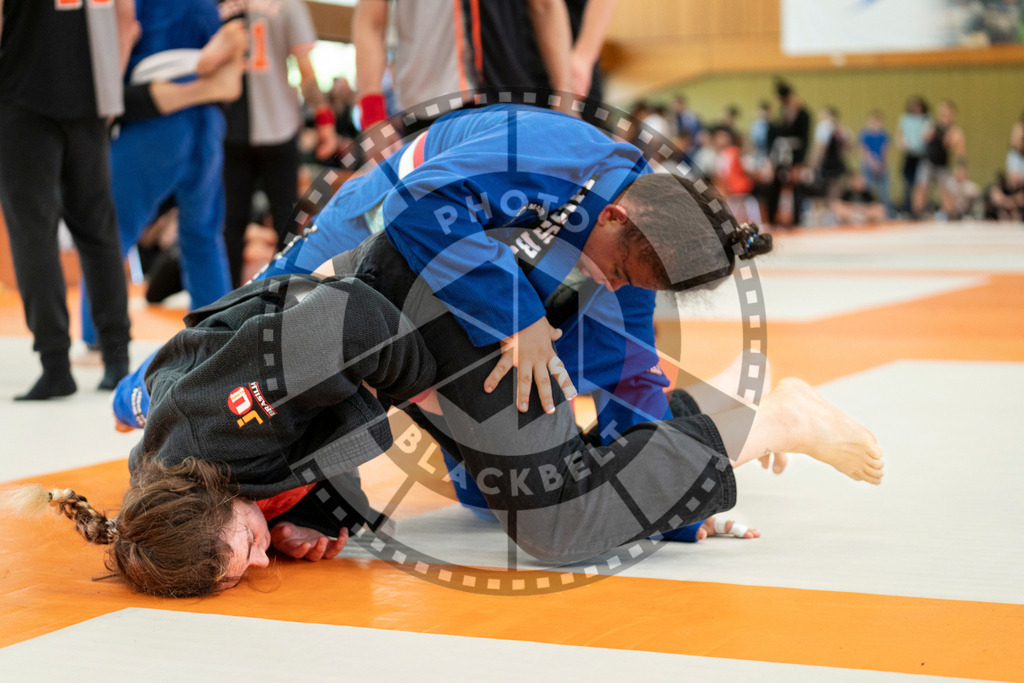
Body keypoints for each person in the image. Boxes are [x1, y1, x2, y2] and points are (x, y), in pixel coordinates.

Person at [79, 3, 245, 351]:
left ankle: (98, 337)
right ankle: (217, 342)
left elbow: (122, 44)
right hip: (207, 120)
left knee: (108, 233)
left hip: (155, 121)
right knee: (203, 236)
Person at [0, 0, 135, 400]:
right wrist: (111, 88)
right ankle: (116, 359)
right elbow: (125, 20)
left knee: (33, 235)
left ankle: (55, 364)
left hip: (22, 96)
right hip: (91, 99)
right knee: (98, 232)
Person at [220, 0, 338, 286]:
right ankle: (285, 302)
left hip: (228, 128)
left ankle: (224, 308)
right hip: (279, 127)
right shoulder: (287, 4)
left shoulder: (217, 6)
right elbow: (305, 71)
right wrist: (325, 120)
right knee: (288, 221)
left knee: (231, 226)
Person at [352, 0, 573, 131]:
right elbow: (371, 22)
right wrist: (373, 117)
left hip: (512, 99)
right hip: (429, 107)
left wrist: (565, 95)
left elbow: (546, 6)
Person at [766, 80, 811, 228]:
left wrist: (799, 162)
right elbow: (780, 133)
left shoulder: (803, 113)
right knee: (775, 185)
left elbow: (805, 139)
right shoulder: (783, 110)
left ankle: (796, 221)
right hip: (781, 155)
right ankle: (772, 220)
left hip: (796, 155)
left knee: (796, 186)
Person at [912, 99, 966, 217]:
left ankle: (950, 213)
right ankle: (917, 213)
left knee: (945, 190)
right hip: (928, 161)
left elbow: (959, 152)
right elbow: (924, 137)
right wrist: (933, 131)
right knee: (921, 187)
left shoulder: (954, 131)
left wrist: (961, 168)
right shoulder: (932, 125)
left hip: (942, 164)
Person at [897, 96, 929, 215]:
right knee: (907, 182)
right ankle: (907, 208)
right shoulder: (905, 119)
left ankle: (920, 208)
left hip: (921, 156)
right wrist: (902, 144)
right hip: (909, 155)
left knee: (920, 184)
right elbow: (900, 135)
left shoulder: (926, 119)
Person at [858, 110, 892, 217]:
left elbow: (885, 151)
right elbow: (864, 151)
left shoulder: (884, 135)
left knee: (884, 191)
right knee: (868, 189)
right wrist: (872, 163)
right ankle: (868, 213)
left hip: (881, 165)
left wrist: (882, 164)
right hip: (868, 165)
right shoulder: (865, 134)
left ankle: (886, 213)